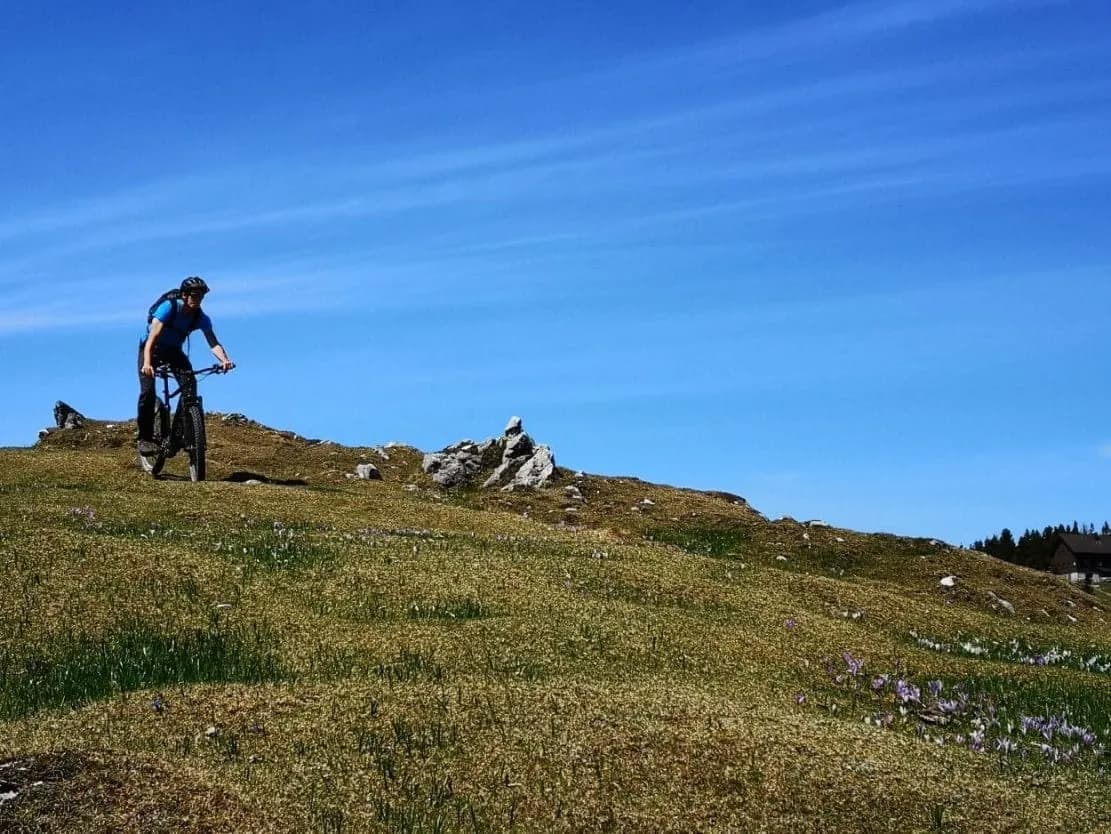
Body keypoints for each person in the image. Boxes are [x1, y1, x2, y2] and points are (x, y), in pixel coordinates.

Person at [137, 276, 235, 455]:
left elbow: (213, 342)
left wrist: (224, 360)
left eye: (201, 297)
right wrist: (148, 363)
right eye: (194, 296)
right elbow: (152, 338)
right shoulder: (169, 308)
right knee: (148, 391)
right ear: (184, 295)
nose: (197, 300)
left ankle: (177, 435)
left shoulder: (200, 317)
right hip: (151, 349)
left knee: (190, 386)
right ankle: (144, 438)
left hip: (173, 351)